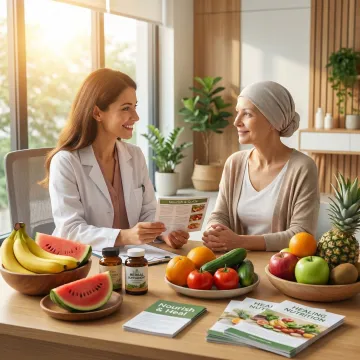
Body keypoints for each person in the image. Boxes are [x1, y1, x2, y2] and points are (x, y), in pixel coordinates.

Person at [42, 68, 189, 251]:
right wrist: (125, 236)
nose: (136, 117)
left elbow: (149, 211)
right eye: (126, 108)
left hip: (132, 258)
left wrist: (163, 232)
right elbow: (70, 230)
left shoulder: (134, 155)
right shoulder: (65, 162)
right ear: (97, 113)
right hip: (86, 261)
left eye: (135, 107)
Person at [202, 81, 319, 252]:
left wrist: (239, 242)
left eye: (247, 114)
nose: (236, 122)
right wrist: (214, 230)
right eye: (237, 113)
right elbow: (220, 215)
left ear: (273, 121)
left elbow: (301, 234)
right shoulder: (234, 163)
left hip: (279, 269)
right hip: (235, 267)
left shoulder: (302, 167)